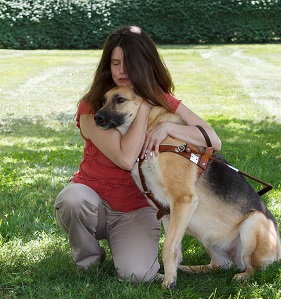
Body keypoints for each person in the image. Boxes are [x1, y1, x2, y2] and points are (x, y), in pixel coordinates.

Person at [55, 25, 221, 283]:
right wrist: (144, 107)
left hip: (136, 209)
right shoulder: (94, 107)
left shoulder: (162, 99)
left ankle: (128, 247)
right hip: (93, 202)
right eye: (115, 63)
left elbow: (213, 139)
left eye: (128, 63)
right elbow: (125, 158)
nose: (121, 71)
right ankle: (88, 262)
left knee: (139, 275)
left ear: (144, 64)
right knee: (73, 200)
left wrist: (167, 125)